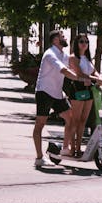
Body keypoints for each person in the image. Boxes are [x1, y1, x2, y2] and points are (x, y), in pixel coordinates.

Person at [32, 29, 78, 168]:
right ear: (55, 40)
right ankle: (39, 158)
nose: (64, 37)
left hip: (57, 93)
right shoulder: (50, 54)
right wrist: (78, 78)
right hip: (44, 92)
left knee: (70, 118)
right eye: (62, 36)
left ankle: (64, 149)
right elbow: (63, 70)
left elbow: (73, 67)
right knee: (40, 124)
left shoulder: (63, 54)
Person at [67, 34, 102, 157]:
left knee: (83, 120)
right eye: (81, 41)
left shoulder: (87, 58)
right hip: (77, 89)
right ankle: (72, 148)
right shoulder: (73, 58)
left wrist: (99, 76)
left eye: (86, 42)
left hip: (88, 89)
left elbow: (93, 71)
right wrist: (96, 79)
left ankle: (79, 148)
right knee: (75, 120)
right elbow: (80, 74)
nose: (84, 44)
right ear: (76, 44)